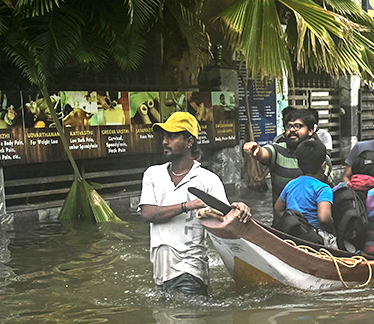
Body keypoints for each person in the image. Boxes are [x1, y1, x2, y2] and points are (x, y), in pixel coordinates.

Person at [139, 112, 251, 296]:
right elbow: (148, 214)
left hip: (190, 271)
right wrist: (187, 205)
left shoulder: (208, 180)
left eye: (172, 136)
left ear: (189, 142)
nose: (165, 142)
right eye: (164, 137)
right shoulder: (153, 174)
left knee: (187, 321)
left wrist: (239, 209)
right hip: (161, 271)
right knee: (165, 323)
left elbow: (226, 221)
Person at [243, 108, 333, 207]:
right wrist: (257, 150)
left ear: (310, 130)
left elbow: (329, 192)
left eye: (298, 126)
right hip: (283, 221)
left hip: (313, 221)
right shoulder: (278, 151)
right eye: (289, 126)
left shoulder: (322, 158)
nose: (292, 130)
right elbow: (265, 153)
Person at [274, 139, 336, 247]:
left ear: (298, 164)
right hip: (315, 237)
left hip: (293, 233)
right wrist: (333, 229)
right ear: (323, 166)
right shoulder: (323, 188)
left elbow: (278, 208)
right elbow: (324, 218)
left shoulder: (291, 184)